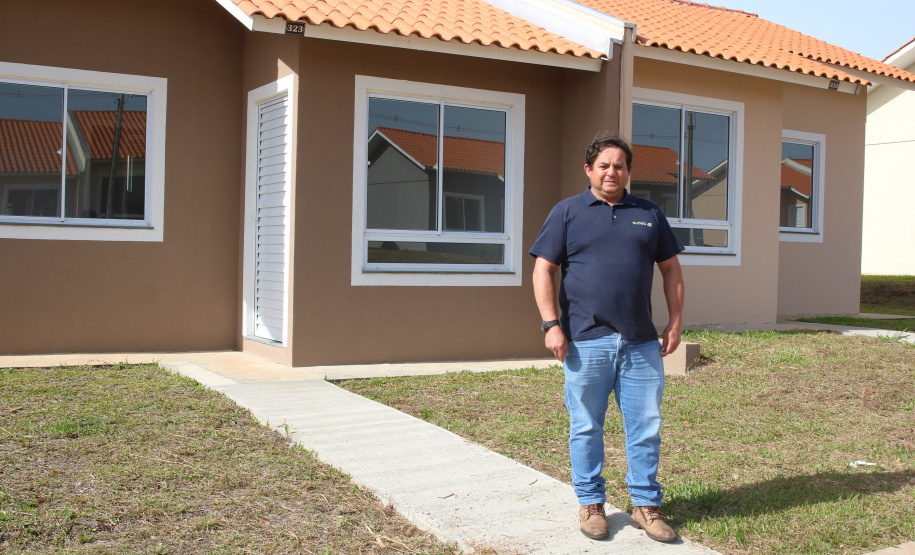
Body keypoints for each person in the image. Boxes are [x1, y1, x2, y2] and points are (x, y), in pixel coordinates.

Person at [529, 131, 685, 543]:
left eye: (619, 166)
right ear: (589, 169)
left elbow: (671, 269)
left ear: (629, 171)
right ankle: (591, 503)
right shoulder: (567, 212)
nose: (611, 172)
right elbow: (543, 269)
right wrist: (551, 324)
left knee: (646, 427)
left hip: (640, 341)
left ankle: (645, 505)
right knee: (586, 426)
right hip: (585, 340)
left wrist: (675, 321)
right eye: (603, 165)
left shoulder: (649, 213)